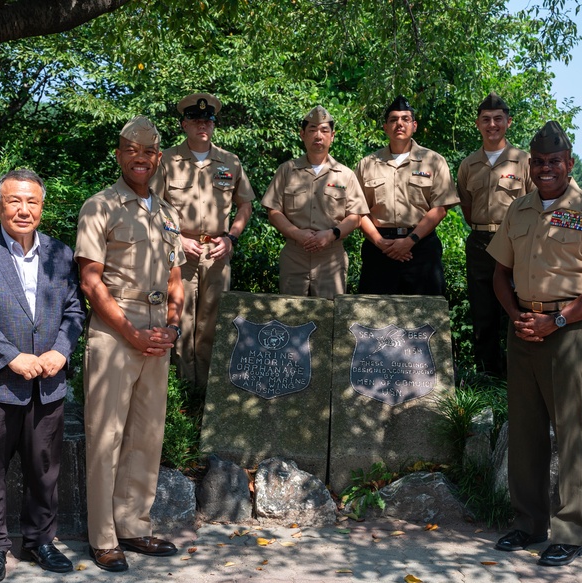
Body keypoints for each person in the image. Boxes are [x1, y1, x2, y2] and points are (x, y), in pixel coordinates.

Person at [488, 121, 582, 566]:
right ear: (530, 165)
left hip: (568, 331)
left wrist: (558, 319)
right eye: (539, 162)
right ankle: (529, 524)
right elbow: (499, 272)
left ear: (569, 164)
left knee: (571, 433)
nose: (546, 168)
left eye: (554, 161)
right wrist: (517, 318)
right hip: (524, 328)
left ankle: (568, 532)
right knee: (525, 432)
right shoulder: (519, 210)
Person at [0, 169, 85, 583]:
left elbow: (75, 310)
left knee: (44, 467)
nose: (23, 210)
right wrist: (12, 357)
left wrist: (60, 351)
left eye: (32, 202)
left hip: (47, 380)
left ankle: (40, 541)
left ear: (42, 208)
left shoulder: (61, 255)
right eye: (14, 201)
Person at [75, 116, 185, 572]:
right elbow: (90, 281)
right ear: (119, 155)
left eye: (148, 152)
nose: (140, 158)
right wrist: (130, 332)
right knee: (107, 436)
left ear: (157, 158)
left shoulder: (166, 213)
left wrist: (173, 328)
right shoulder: (99, 206)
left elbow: (176, 278)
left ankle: (134, 525)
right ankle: (102, 537)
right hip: (115, 330)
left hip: (157, 331)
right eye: (130, 151)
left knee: (146, 434)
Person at [152, 93, 255, 390]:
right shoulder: (166, 160)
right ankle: (184, 392)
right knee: (180, 320)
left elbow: (245, 205)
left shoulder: (229, 161)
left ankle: (210, 394)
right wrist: (176, 239)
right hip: (178, 251)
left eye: (208, 121)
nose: (203, 126)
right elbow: (154, 205)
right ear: (184, 124)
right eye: (196, 121)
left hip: (216, 251)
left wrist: (232, 238)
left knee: (214, 321)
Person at [456, 93, 533, 376]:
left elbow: (536, 204)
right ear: (478, 124)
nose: (492, 125)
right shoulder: (468, 165)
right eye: (486, 120)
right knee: (483, 310)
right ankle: (488, 374)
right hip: (479, 242)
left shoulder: (524, 161)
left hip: (515, 242)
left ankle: (520, 374)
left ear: (508, 122)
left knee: (517, 306)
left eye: (498, 119)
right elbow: (466, 205)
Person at [354, 95, 459, 295]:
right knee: (373, 316)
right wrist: (379, 242)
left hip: (420, 248)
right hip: (379, 249)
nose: (399, 124)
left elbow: (440, 208)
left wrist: (410, 241)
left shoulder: (434, 161)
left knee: (426, 315)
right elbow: (358, 211)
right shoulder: (367, 164)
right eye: (393, 120)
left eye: (405, 119)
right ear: (385, 127)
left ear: (414, 125)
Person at [261, 105, 368, 298]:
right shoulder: (286, 170)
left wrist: (331, 234)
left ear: (332, 136)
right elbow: (273, 212)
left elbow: (356, 217)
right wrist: (297, 234)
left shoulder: (346, 175)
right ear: (302, 134)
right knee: (291, 314)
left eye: (324, 130)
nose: (318, 136)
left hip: (331, 257)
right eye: (312, 130)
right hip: (295, 254)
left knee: (329, 315)